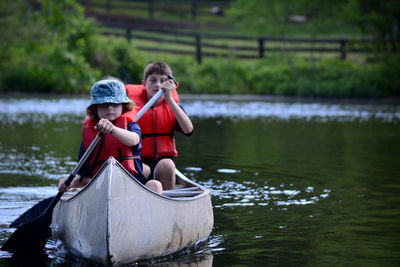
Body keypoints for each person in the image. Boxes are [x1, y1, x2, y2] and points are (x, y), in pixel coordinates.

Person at [58, 79, 163, 194]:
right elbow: (82, 171)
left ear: (123, 106)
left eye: (115, 103)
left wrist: (113, 129)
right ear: (95, 108)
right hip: (100, 185)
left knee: (155, 184)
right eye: (104, 104)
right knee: (76, 182)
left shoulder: (131, 126)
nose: (109, 107)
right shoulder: (90, 132)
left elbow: (134, 140)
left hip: (131, 183)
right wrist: (67, 182)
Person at [125, 61, 193, 190]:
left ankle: (167, 200)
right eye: (153, 80)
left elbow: (189, 130)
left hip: (163, 168)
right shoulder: (130, 107)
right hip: (139, 163)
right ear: (144, 84)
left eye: (163, 81)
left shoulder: (173, 106)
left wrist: (169, 99)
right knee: (143, 169)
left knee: (167, 164)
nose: (158, 85)